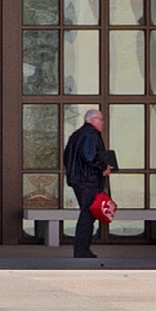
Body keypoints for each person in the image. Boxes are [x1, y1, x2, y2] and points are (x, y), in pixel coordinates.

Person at [61, 106, 117, 259]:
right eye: (100, 119)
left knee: (87, 213)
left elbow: (67, 156)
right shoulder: (91, 133)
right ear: (92, 120)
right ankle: (82, 250)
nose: (103, 122)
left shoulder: (76, 134)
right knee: (88, 215)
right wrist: (103, 168)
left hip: (78, 180)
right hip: (88, 181)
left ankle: (82, 249)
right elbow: (90, 156)